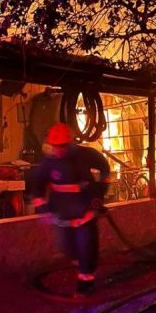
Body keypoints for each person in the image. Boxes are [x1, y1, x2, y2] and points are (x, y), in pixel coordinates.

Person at [30, 123, 111, 296]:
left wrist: (101, 189)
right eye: (55, 146)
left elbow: (104, 166)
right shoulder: (48, 162)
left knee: (86, 247)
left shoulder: (85, 155)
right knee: (67, 248)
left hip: (85, 211)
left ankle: (86, 281)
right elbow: (37, 184)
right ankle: (83, 262)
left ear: (69, 143)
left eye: (62, 146)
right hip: (62, 213)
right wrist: (42, 207)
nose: (59, 150)